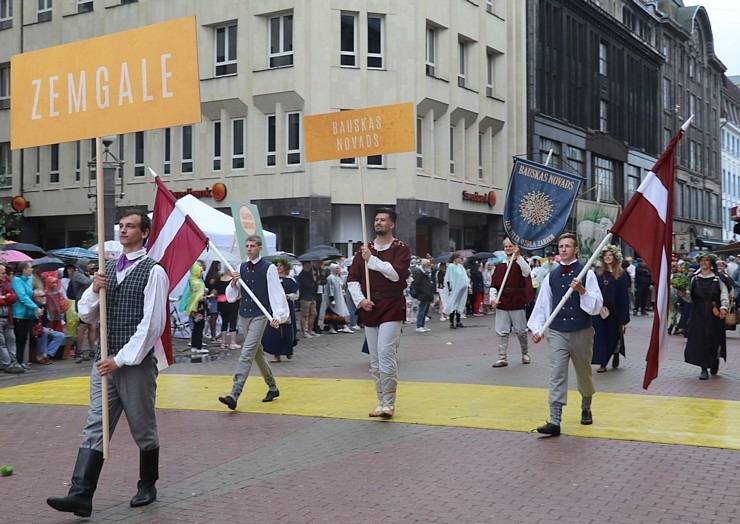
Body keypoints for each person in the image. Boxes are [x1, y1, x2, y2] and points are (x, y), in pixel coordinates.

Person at [47, 209, 169, 517]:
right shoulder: (107, 268)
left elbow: (152, 324)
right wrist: (94, 287)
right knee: (95, 424)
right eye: (121, 226)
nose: (124, 231)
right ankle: (80, 494)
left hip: (134, 363)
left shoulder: (154, 271)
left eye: (131, 226)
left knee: (142, 426)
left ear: (144, 233)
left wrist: (122, 358)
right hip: (104, 360)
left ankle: (147, 484)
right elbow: (87, 314)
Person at [527, 233, 603, 436]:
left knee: (583, 372)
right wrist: (537, 329)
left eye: (567, 246)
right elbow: (543, 305)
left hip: (581, 331)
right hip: (558, 332)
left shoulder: (587, 273)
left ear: (576, 249)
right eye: (561, 246)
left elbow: (596, 307)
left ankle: (586, 406)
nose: (563, 249)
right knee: (557, 372)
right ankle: (555, 419)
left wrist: (582, 291)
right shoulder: (551, 275)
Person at [348, 208, 411, 418]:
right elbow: (353, 279)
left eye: (383, 220)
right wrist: (360, 300)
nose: (378, 222)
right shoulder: (363, 251)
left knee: (385, 353)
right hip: (370, 306)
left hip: (392, 305)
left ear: (391, 224)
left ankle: (390, 403)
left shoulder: (401, 248)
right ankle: (381, 400)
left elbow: (396, 275)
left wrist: (372, 260)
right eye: (376, 219)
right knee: (375, 359)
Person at [218, 234, 290, 410]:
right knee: (257, 352)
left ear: (259, 248)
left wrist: (278, 315)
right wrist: (234, 283)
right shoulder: (240, 267)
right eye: (247, 245)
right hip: (244, 313)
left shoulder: (269, 268)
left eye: (252, 245)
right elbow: (231, 297)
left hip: (260, 314)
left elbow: (276, 292)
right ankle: (272, 387)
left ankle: (235, 393)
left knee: (247, 351)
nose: (249, 248)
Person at [684, 253, 729, 380]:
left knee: (713, 338)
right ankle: (703, 368)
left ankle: (714, 360)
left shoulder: (718, 278)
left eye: (706, 261)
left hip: (713, 313)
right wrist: (683, 294)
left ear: (711, 263)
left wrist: (723, 307)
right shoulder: (695, 278)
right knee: (700, 340)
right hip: (698, 314)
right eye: (701, 261)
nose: (703, 263)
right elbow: (690, 298)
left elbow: (724, 294)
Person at [491, 238, 533, 367]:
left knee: (521, 330)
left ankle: (525, 354)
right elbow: (493, 285)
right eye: (506, 246)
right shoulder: (499, 267)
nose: (508, 248)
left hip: (517, 300)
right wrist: (493, 299)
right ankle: (502, 357)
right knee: (502, 331)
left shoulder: (520, 262)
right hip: (502, 300)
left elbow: (527, 272)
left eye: (510, 246)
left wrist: (518, 256)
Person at [591, 245, 630, 373]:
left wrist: (623, 318)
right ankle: (603, 362)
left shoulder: (621, 275)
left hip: (614, 312)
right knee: (600, 336)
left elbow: (624, 296)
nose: (608, 257)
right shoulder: (598, 273)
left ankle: (615, 352)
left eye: (610, 255)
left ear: (615, 257)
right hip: (600, 310)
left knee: (612, 335)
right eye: (606, 255)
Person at [263, 257, 299, 363]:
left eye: (280, 266)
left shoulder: (290, 280)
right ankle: (276, 355)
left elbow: (296, 295)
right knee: (274, 331)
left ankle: (288, 350)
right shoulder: (272, 280)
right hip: (274, 307)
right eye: (276, 266)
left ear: (285, 267)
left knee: (287, 331)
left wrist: (287, 296)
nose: (278, 268)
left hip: (286, 307)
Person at [11, 260, 39, 370]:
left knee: (24, 338)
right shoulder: (16, 281)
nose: (31, 270)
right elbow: (22, 297)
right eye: (29, 268)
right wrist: (35, 307)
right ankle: (17, 361)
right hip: (18, 313)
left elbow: (30, 295)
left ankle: (21, 360)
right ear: (23, 269)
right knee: (19, 338)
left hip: (27, 314)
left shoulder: (28, 281)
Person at [69, 258, 97, 362]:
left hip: (89, 304)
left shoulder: (84, 273)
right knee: (83, 327)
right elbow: (89, 283)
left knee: (92, 327)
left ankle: (92, 350)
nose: (91, 265)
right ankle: (79, 351)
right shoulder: (78, 275)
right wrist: (95, 277)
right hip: (82, 304)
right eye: (89, 263)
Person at [0, 263, 24, 374]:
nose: (5, 275)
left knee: (11, 341)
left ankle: (15, 363)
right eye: (3, 273)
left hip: (7, 317)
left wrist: (4, 297)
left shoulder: (5, 284)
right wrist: (6, 298)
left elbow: (14, 297)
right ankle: (7, 364)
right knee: (2, 343)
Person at [31, 288, 65, 363]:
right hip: (34, 329)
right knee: (44, 331)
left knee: (60, 335)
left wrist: (48, 328)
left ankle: (48, 354)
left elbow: (46, 320)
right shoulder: (32, 307)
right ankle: (40, 355)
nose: (44, 298)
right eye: (42, 296)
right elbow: (31, 322)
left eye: (44, 296)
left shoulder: (43, 306)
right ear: (35, 298)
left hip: (43, 328)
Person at [184, 264, 207, 352]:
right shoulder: (198, 283)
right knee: (199, 327)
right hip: (199, 307)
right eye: (200, 271)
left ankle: (194, 346)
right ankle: (198, 346)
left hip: (194, 307)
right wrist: (208, 296)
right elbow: (200, 297)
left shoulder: (192, 280)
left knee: (195, 327)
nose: (202, 273)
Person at [443, 253, 469, 329]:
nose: (460, 260)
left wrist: (468, 286)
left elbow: (465, 277)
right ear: (455, 258)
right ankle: (451, 322)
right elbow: (448, 278)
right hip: (454, 288)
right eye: (459, 258)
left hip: (461, 288)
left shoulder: (460, 267)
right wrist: (450, 289)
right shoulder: (451, 267)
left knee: (459, 304)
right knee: (453, 304)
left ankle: (458, 321)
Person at [297, 260, 320, 338]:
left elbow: (316, 284)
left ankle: (310, 330)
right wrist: (313, 280)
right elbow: (307, 285)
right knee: (305, 314)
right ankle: (304, 331)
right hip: (305, 297)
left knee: (314, 313)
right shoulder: (302, 275)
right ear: (304, 265)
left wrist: (314, 278)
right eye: (308, 264)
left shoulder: (311, 273)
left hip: (312, 296)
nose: (309, 266)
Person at [412, 258, 435, 332]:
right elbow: (416, 284)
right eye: (428, 265)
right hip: (423, 294)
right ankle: (419, 326)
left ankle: (422, 325)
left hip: (426, 294)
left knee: (425, 310)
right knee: (422, 310)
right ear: (424, 265)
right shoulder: (419, 272)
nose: (429, 266)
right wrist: (420, 293)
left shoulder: (425, 272)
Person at [204, 261, 222, 341]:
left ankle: (212, 334)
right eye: (219, 265)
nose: (220, 267)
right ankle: (213, 335)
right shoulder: (216, 276)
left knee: (212, 317)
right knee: (213, 317)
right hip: (215, 298)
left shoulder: (208, 276)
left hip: (210, 298)